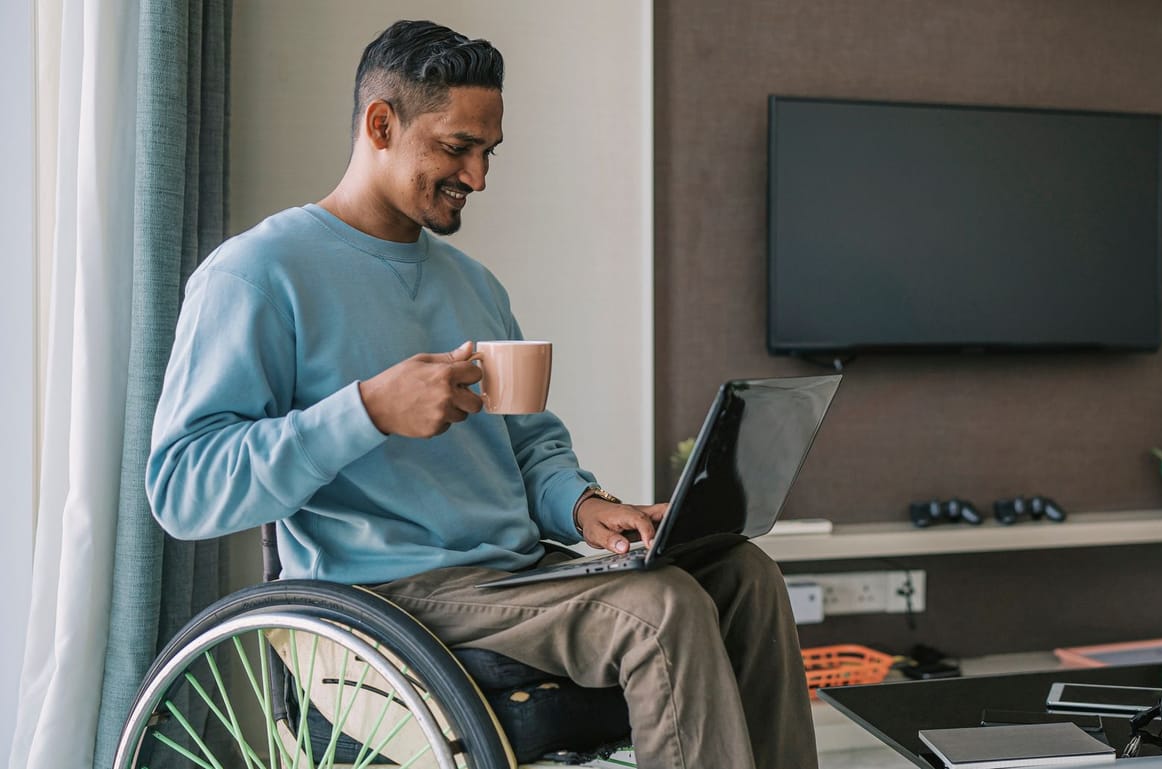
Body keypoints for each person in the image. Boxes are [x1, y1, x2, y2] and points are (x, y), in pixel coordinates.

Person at [146, 19, 817, 769]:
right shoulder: (256, 275)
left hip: (517, 578)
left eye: (488, 152)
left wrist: (587, 508)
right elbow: (182, 489)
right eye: (456, 147)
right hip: (393, 593)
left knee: (743, 576)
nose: (479, 176)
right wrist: (366, 410)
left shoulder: (474, 285)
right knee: (659, 611)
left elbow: (530, 446)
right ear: (381, 124)